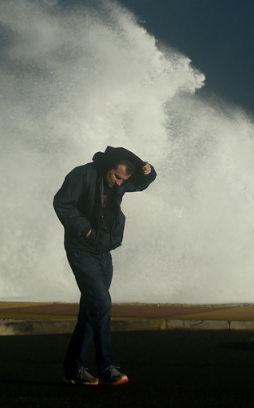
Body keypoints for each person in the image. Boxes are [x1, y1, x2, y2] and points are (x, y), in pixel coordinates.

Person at [53, 145, 157, 386]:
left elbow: (141, 183)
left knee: (92, 310)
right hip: (81, 250)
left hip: (103, 252)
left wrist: (148, 172)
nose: (119, 182)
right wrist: (86, 230)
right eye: (116, 176)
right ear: (107, 167)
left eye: (124, 179)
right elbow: (62, 203)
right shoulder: (83, 175)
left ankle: (73, 369)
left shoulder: (120, 183)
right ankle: (107, 367)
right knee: (102, 303)